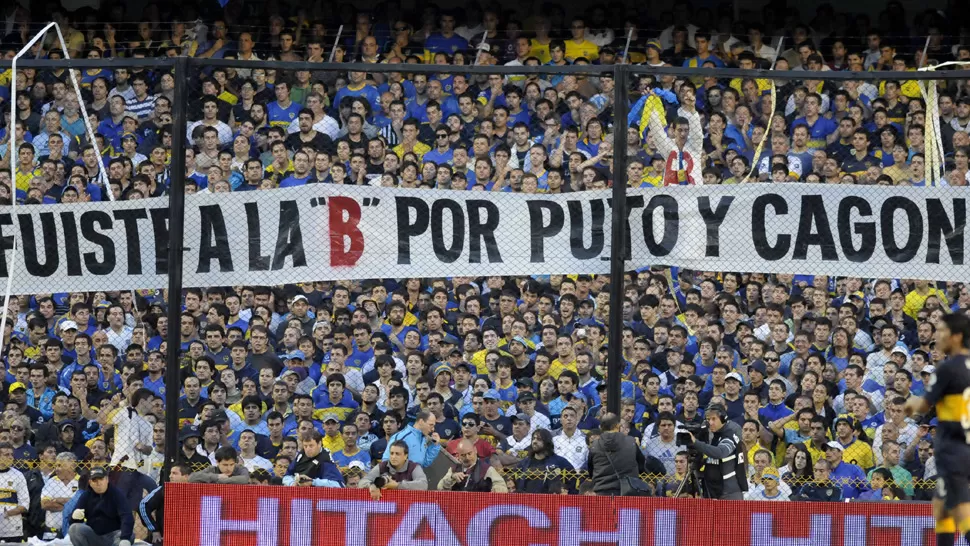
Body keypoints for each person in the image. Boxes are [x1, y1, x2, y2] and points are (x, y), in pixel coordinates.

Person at [904, 314, 970, 546]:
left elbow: (922, 405)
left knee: (959, 508)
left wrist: (906, 405)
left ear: (957, 336)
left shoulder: (947, 369)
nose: (937, 335)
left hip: (954, 449)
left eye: (942, 331)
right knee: (942, 505)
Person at [683, 403, 747, 499]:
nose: (710, 423)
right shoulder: (715, 436)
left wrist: (696, 442)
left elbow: (720, 452)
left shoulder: (729, 435)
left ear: (723, 419)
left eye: (714, 419)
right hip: (714, 491)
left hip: (729, 493)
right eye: (708, 419)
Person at [68, 466, 135, 546]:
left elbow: (127, 516)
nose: (98, 483)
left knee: (130, 535)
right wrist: (74, 517)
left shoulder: (117, 494)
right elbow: (73, 522)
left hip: (114, 536)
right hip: (94, 536)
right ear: (90, 482)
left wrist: (125, 539)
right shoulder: (85, 496)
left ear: (107, 480)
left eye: (101, 479)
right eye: (95, 480)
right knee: (74, 529)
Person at [587, 412, 645, 496]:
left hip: (602, 491)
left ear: (600, 427)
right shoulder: (631, 442)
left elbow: (591, 470)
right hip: (627, 491)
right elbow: (641, 465)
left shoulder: (595, 445)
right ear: (618, 426)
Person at [138, 464, 190, 545]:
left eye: (174, 473)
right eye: (170, 473)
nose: (170, 476)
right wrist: (154, 530)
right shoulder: (163, 490)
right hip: (163, 536)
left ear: (186, 476)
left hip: (188, 537)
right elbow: (143, 505)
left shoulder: (195, 491)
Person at [360, 440, 429, 499]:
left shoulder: (414, 467)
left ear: (405, 456)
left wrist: (397, 486)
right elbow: (362, 482)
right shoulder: (382, 466)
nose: (393, 457)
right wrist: (372, 485)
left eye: (397, 454)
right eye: (391, 453)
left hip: (408, 505)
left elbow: (423, 485)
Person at [438, 439, 507, 493]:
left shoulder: (486, 469)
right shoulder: (454, 469)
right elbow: (440, 487)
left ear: (475, 450)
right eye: (463, 455)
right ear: (458, 455)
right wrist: (452, 477)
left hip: (479, 507)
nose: (467, 458)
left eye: (469, 453)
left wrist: (497, 488)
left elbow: (502, 486)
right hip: (457, 506)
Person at [0, 443, 29, 542]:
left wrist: (6, 514)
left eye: (12, 454)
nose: (11, 457)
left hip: (12, 529)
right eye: (6, 455)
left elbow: (25, 505)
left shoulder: (18, 475)